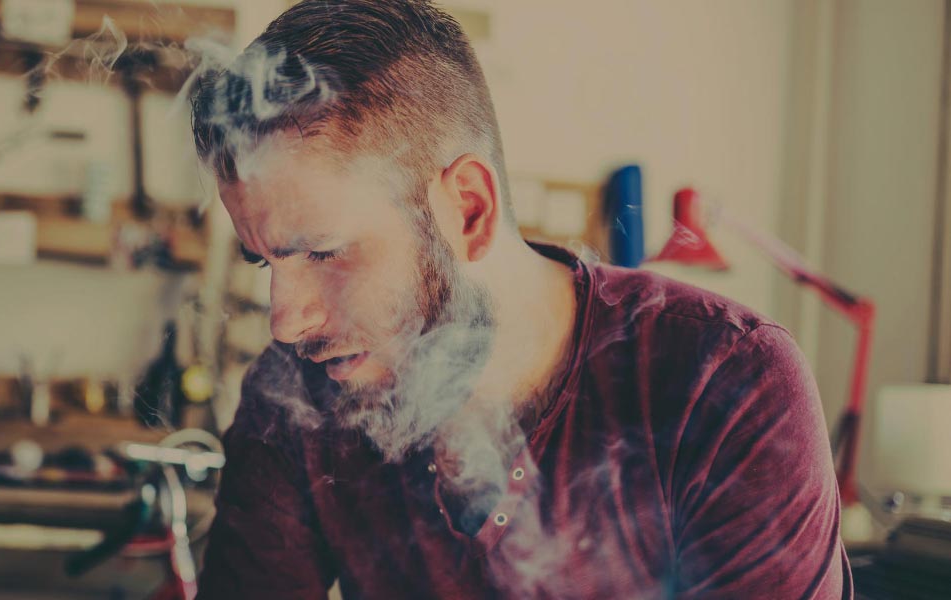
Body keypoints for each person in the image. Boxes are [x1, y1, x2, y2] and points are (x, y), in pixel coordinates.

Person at [188, 1, 852, 598]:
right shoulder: (295, 397)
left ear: (468, 210)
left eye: (324, 251)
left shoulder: (725, 380)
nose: (286, 322)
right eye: (265, 259)